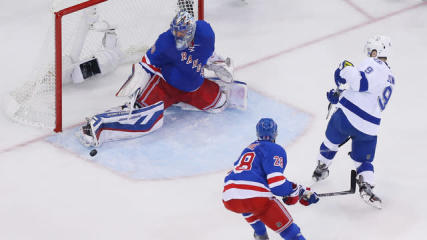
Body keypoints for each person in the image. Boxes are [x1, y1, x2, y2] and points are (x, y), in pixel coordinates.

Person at [78, 11, 246, 147]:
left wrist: (217, 63)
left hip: (193, 86)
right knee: (145, 119)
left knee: (220, 103)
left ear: (191, 32)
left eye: (181, 33)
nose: (177, 35)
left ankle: (183, 100)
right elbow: (145, 66)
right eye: (175, 31)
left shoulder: (205, 33)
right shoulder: (165, 42)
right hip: (164, 85)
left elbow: (207, 53)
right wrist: (135, 91)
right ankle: (98, 126)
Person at [312, 35, 395, 208]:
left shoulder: (374, 63)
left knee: (330, 141)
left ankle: (321, 168)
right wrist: (341, 95)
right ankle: (366, 186)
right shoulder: (391, 77)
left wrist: (345, 66)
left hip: (347, 118)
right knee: (363, 161)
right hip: (370, 127)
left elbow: (359, 83)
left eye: (371, 51)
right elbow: (367, 96)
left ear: (376, 51)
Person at [223, 118, 319, 240]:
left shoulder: (248, 148)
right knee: (289, 231)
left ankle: (260, 235)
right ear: (275, 133)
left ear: (257, 133)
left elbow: (246, 179)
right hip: (253, 196)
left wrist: (300, 191)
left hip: (230, 196)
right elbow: (277, 185)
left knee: (248, 201)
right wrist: (297, 193)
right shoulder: (274, 149)